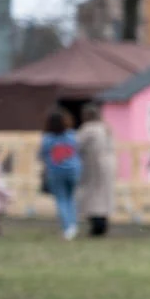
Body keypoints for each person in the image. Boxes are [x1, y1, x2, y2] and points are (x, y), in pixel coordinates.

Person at [40, 109, 82, 240]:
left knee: (61, 199)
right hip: (73, 171)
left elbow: (42, 155)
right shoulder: (71, 135)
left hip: (56, 172)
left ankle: (68, 226)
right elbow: (78, 150)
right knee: (70, 198)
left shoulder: (47, 139)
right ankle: (73, 224)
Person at [77, 102, 117, 236]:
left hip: (94, 165)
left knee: (93, 195)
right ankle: (103, 222)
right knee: (105, 194)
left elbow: (77, 145)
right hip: (109, 164)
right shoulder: (105, 128)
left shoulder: (88, 129)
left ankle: (97, 224)